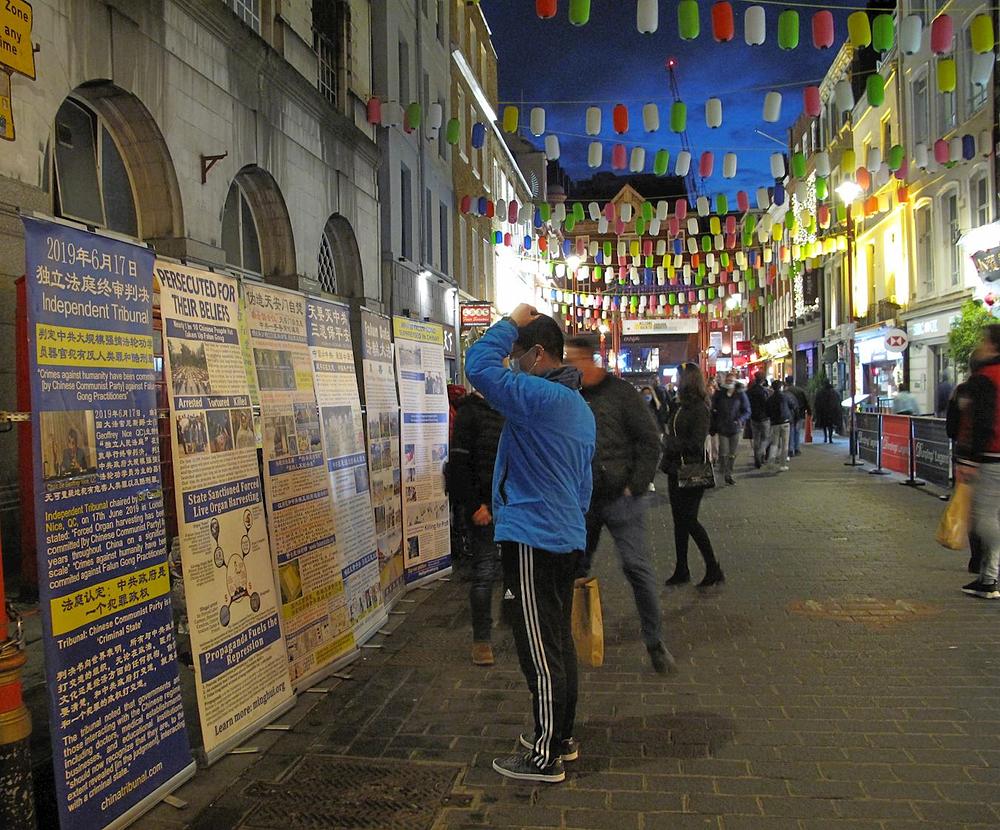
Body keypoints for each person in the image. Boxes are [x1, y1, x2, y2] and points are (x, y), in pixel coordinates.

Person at [465, 304, 595, 784]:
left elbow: (478, 367)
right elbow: (584, 486)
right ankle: (560, 737)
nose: (513, 364)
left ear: (538, 354)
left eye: (518, 355)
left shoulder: (539, 396)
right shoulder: (578, 406)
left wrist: (509, 323)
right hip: (564, 534)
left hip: (533, 535)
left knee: (538, 649)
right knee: (557, 641)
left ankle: (544, 756)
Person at [566, 338, 676, 675]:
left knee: (637, 567)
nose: (569, 364)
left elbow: (649, 440)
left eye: (573, 358)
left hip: (621, 497)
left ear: (589, 359)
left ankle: (655, 642)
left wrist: (635, 484)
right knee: (573, 567)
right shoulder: (568, 395)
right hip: (582, 500)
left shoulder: (622, 393)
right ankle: (572, 637)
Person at [449, 390, 505, 666]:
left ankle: (515, 624)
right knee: (484, 571)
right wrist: (474, 506)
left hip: (511, 505)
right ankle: (482, 640)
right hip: (483, 506)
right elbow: (458, 466)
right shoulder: (469, 413)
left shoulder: (508, 409)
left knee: (514, 571)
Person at [662, 363, 724, 588]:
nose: (676, 380)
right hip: (674, 469)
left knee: (689, 520)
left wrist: (668, 442)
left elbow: (695, 443)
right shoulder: (679, 405)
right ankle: (682, 568)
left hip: (691, 471)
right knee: (679, 522)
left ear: (688, 380)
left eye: (679, 377)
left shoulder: (699, 408)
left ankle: (713, 567)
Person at [959, 326, 1000, 600]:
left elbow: (980, 423)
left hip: (991, 457)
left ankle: (990, 578)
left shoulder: (985, 379)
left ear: (992, 346)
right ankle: (988, 577)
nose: (980, 345)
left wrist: (969, 459)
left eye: (983, 341)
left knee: (985, 517)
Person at [946, 374, 986, 575]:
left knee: (972, 509)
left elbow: (951, 428)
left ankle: (977, 559)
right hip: (991, 457)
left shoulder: (961, 391)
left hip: (966, 457)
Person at [710, 372, 750, 485]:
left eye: (731, 381)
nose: (729, 383)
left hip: (735, 428)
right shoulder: (719, 394)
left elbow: (747, 410)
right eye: (727, 380)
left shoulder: (740, 394)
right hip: (722, 427)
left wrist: (740, 420)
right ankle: (724, 471)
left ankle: (729, 473)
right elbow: (713, 408)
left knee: (732, 453)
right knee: (724, 452)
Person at [765, 379, 796, 471]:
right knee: (785, 444)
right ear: (781, 387)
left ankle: (770, 462)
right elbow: (793, 405)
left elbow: (767, 411)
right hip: (785, 422)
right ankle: (783, 465)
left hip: (774, 423)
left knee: (774, 443)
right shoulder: (785, 397)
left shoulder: (770, 399)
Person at [746, 372, 771, 469]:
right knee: (766, 438)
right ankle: (760, 453)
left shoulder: (749, 391)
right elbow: (766, 404)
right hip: (764, 417)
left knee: (756, 438)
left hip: (753, 418)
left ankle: (757, 457)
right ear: (763, 380)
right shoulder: (764, 392)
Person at [784, 376, 810, 456]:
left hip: (790, 414)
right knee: (797, 431)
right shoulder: (800, 390)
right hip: (800, 413)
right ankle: (797, 448)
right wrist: (809, 411)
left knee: (791, 431)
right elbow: (806, 402)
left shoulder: (785, 392)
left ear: (786, 382)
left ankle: (790, 449)